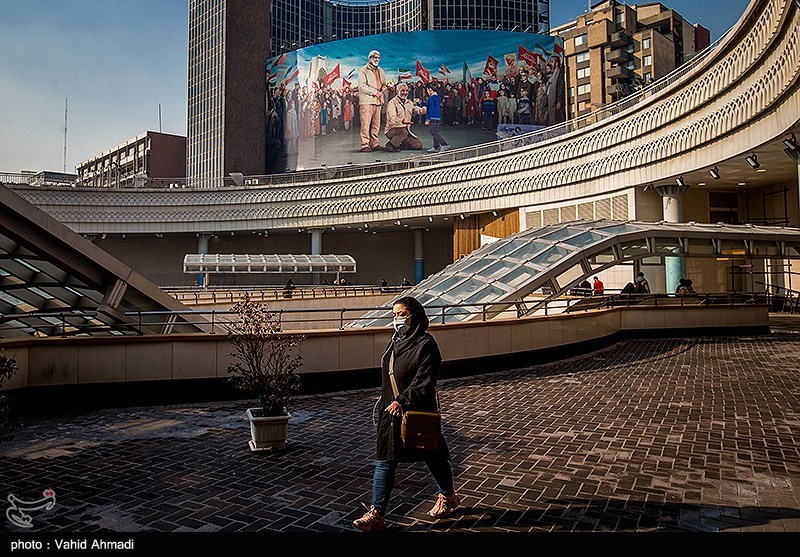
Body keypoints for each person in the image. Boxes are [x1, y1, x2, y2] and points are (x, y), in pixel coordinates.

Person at [352, 297, 459, 532]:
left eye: (401, 314)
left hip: (418, 411)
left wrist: (403, 400)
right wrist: (389, 403)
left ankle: (448, 496)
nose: (397, 319)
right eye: (394, 315)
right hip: (390, 413)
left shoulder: (425, 344)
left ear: (415, 316)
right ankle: (377, 513)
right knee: (384, 462)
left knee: (433, 456)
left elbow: (425, 380)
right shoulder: (395, 341)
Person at [358, 50, 388, 152]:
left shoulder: (380, 70)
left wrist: (384, 86)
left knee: (376, 124)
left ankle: (374, 143)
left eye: (378, 58)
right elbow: (362, 86)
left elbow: (384, 82)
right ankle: (364, 145)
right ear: (370, 58)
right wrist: (375, 92)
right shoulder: (363, 70)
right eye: (375, 58)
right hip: (366, 102)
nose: (377, 60)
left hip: (378, 101)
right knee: (365, 124)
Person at [383, 83, 426, 152]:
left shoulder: (409, 102)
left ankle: (397, 144)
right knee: (403, 131)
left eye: (406, 91)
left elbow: (416, 109)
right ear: (397, 91)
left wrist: (423, 110)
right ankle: (391, 145)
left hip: (406, 130)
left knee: (418, 145)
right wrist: (402, 121)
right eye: (402, 90)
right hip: (392, 129)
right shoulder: (392, 103)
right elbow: (392, 118)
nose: (405, 93)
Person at [425, 83, 450, 153]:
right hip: (438, 117)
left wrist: (428, 119)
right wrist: (421, 102)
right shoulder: (438, 97)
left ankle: (444, 144)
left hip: (432, 117)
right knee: (434, 131)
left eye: (427, 90)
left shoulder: (431, 98)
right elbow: (429, 105)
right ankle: (436, 147)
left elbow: (431, 109)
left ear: (430, 90)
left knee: (432, 131)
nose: (427, 91)